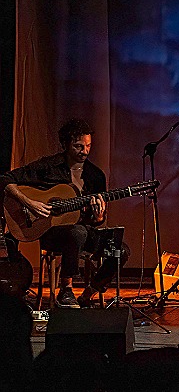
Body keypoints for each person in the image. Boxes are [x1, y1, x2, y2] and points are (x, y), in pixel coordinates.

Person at [0, 119, 129, 308]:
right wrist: (30, 203)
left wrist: (99, 215)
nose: (84, 151)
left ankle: (89, 293)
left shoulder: (95, 176)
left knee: (121, 250)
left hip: (82, 232)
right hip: (51, 232)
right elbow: (5, 179)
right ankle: (66, 290)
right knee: (77, 232)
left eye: (88, 146)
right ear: (65, 144)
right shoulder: (48, 167)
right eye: (78, 146)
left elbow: (96, 222)